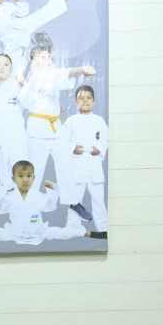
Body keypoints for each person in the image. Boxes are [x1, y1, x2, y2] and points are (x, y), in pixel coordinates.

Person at [18, 41, 95, 191]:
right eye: (43, 57)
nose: (48, 60)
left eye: (49, 57)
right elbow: (26, 100)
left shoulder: (49, 75)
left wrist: (55, 108)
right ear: (34, 61)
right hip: (37, 130)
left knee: (65, 165)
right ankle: (29, 205)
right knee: (35, 168)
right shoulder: (36, 78)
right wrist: (81, 69)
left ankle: (72, 201)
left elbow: (59, 76)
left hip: (55, 128)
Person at [0, 159, 87, 245]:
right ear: (13, 179)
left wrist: (52, 191)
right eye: (20, 176)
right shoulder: (10, 197)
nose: (25, 179)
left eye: (29, 176)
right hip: (15, 233)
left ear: (33, 178)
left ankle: (85, 232)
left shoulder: (38, 196)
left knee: (63, 233)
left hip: (38, 232)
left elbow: (50, 207)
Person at [54, 84, 109, 239]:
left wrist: (99, 148)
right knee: (75, 199)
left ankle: (103, 227)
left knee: (98, 200)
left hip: (94, 165)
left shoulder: (99, 121)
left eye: (88, 98)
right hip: (76, 166)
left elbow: (105, 140)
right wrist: (72, 148)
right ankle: (72, 228)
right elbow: (63, 141)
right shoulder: (71, 121)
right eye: (81, 98)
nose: (85, 101)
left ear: (94, 101)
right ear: (76, 101)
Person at [0, 53, 29, 202]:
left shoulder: (17, 86)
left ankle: (23, 206)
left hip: (17, 137)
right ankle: (8, 201)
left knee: (21, 172)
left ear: (11, 68)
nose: (2, 67)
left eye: (6, 64)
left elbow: (29, 105)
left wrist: (24, 85)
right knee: (2, 174)